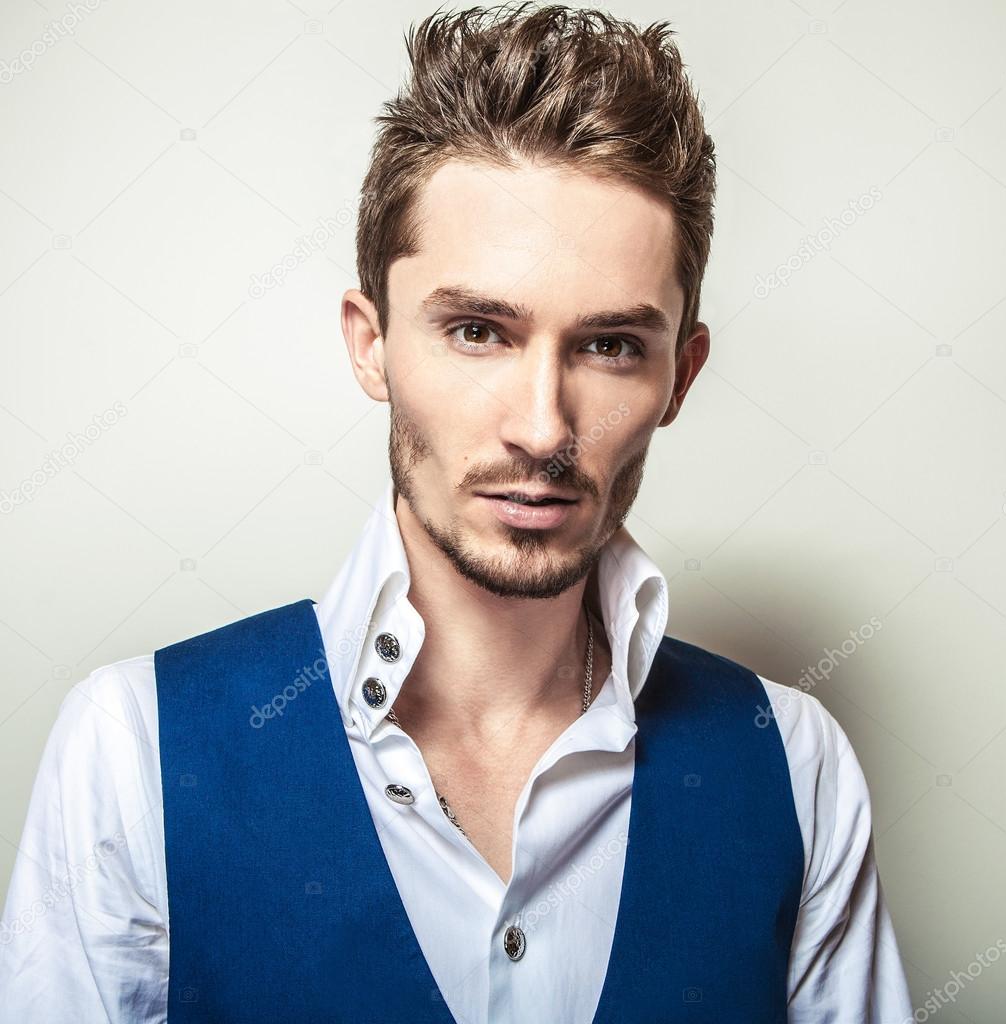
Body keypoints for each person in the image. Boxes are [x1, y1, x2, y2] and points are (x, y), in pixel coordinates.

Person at [0, 4, 914, 1021]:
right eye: (478, 330)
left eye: (608, 344)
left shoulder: (795, 767)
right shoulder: (134, 753)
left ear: (680, 374)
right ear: (371, 343)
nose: (540, 427)